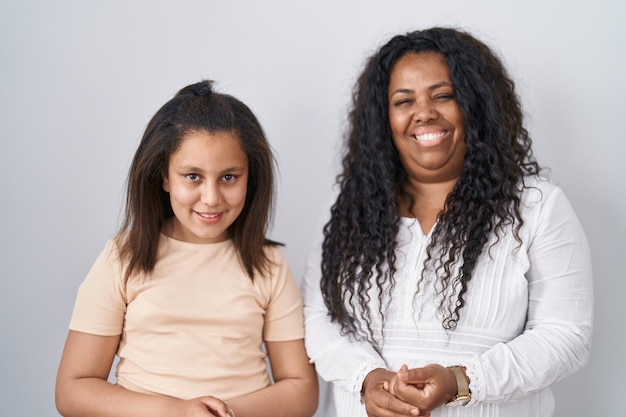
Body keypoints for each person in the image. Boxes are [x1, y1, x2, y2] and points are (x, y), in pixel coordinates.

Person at [302, 27, 592, 417]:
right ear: (383, 118)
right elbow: (320, 320)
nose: (424, 113)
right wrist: (367, 379)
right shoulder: (348, 210)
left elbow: (566, 335)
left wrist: (460, 381)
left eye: (443, 95)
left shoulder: (537, 206)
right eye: (404, 101)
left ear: (475, 105)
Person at [56, 80, 318, 417]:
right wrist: (175, 411)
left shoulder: (268, 263)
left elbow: (302, 389)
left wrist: (220, 413)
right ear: (164, 176)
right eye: (192, 176)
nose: (211, 198)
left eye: (229, 177)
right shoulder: (123, 257)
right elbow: (73, 389)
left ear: (250, 178)